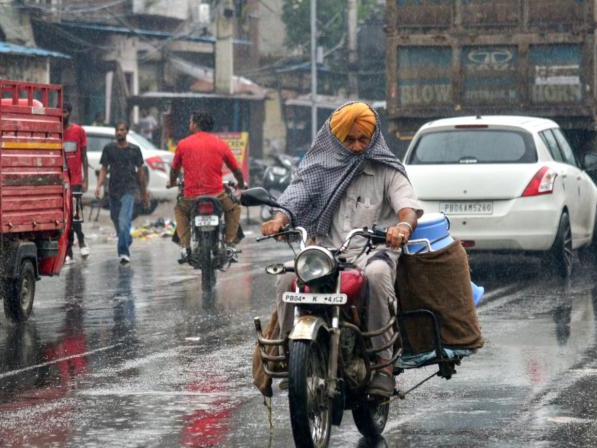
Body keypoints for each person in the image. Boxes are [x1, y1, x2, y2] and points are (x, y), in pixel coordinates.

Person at [261, 102, 422, 397]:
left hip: (372, 251)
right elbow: (297, 195)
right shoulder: (318, 168)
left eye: (364, 139)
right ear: (336, 138)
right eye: (350, 140)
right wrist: (279, 219)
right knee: (286, 276)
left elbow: (408, 208)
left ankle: (383, 364)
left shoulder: (387, 170)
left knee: (376, 275)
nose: (358, 146)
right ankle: (289, 354)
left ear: (373, 138)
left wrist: (403, 228)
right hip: (325, 252)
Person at [169, 111, 246, 262]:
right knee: (234, 208)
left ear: (196, 124)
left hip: (191, 197)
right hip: (217, 196)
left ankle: (185, 246)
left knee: (180, 210)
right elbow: (236, 169)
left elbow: (174, 169)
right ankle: (230, 245)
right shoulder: (220, 144)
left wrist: (172, 182)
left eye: (190, 122)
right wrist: (241, 184)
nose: (189, 124)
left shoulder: (183, 144)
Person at [95, 122, 149, 265]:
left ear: (127, 132)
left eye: (122, 130)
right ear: (115, 132)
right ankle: (127, 239)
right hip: (113, 190)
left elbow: (141, 172)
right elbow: (103, 169)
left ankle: (124, 253)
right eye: (117, 130)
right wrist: (98, 186)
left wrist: (144, 193)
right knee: (116, 219)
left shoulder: (134, 150)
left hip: (129, 190)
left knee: (124, 221)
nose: (119, 132)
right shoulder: (109, 149)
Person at [62, 102, 90, 263]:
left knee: (75, 214)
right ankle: (68, 249)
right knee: (66, 217)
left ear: (70, 113)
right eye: (60, 112)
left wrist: (85, 179)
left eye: (65, 112)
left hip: (76, 180)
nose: (63, 115)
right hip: (62, 181)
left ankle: (81, 240)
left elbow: (84, 157)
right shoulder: (56, 132)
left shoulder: (79, 131)